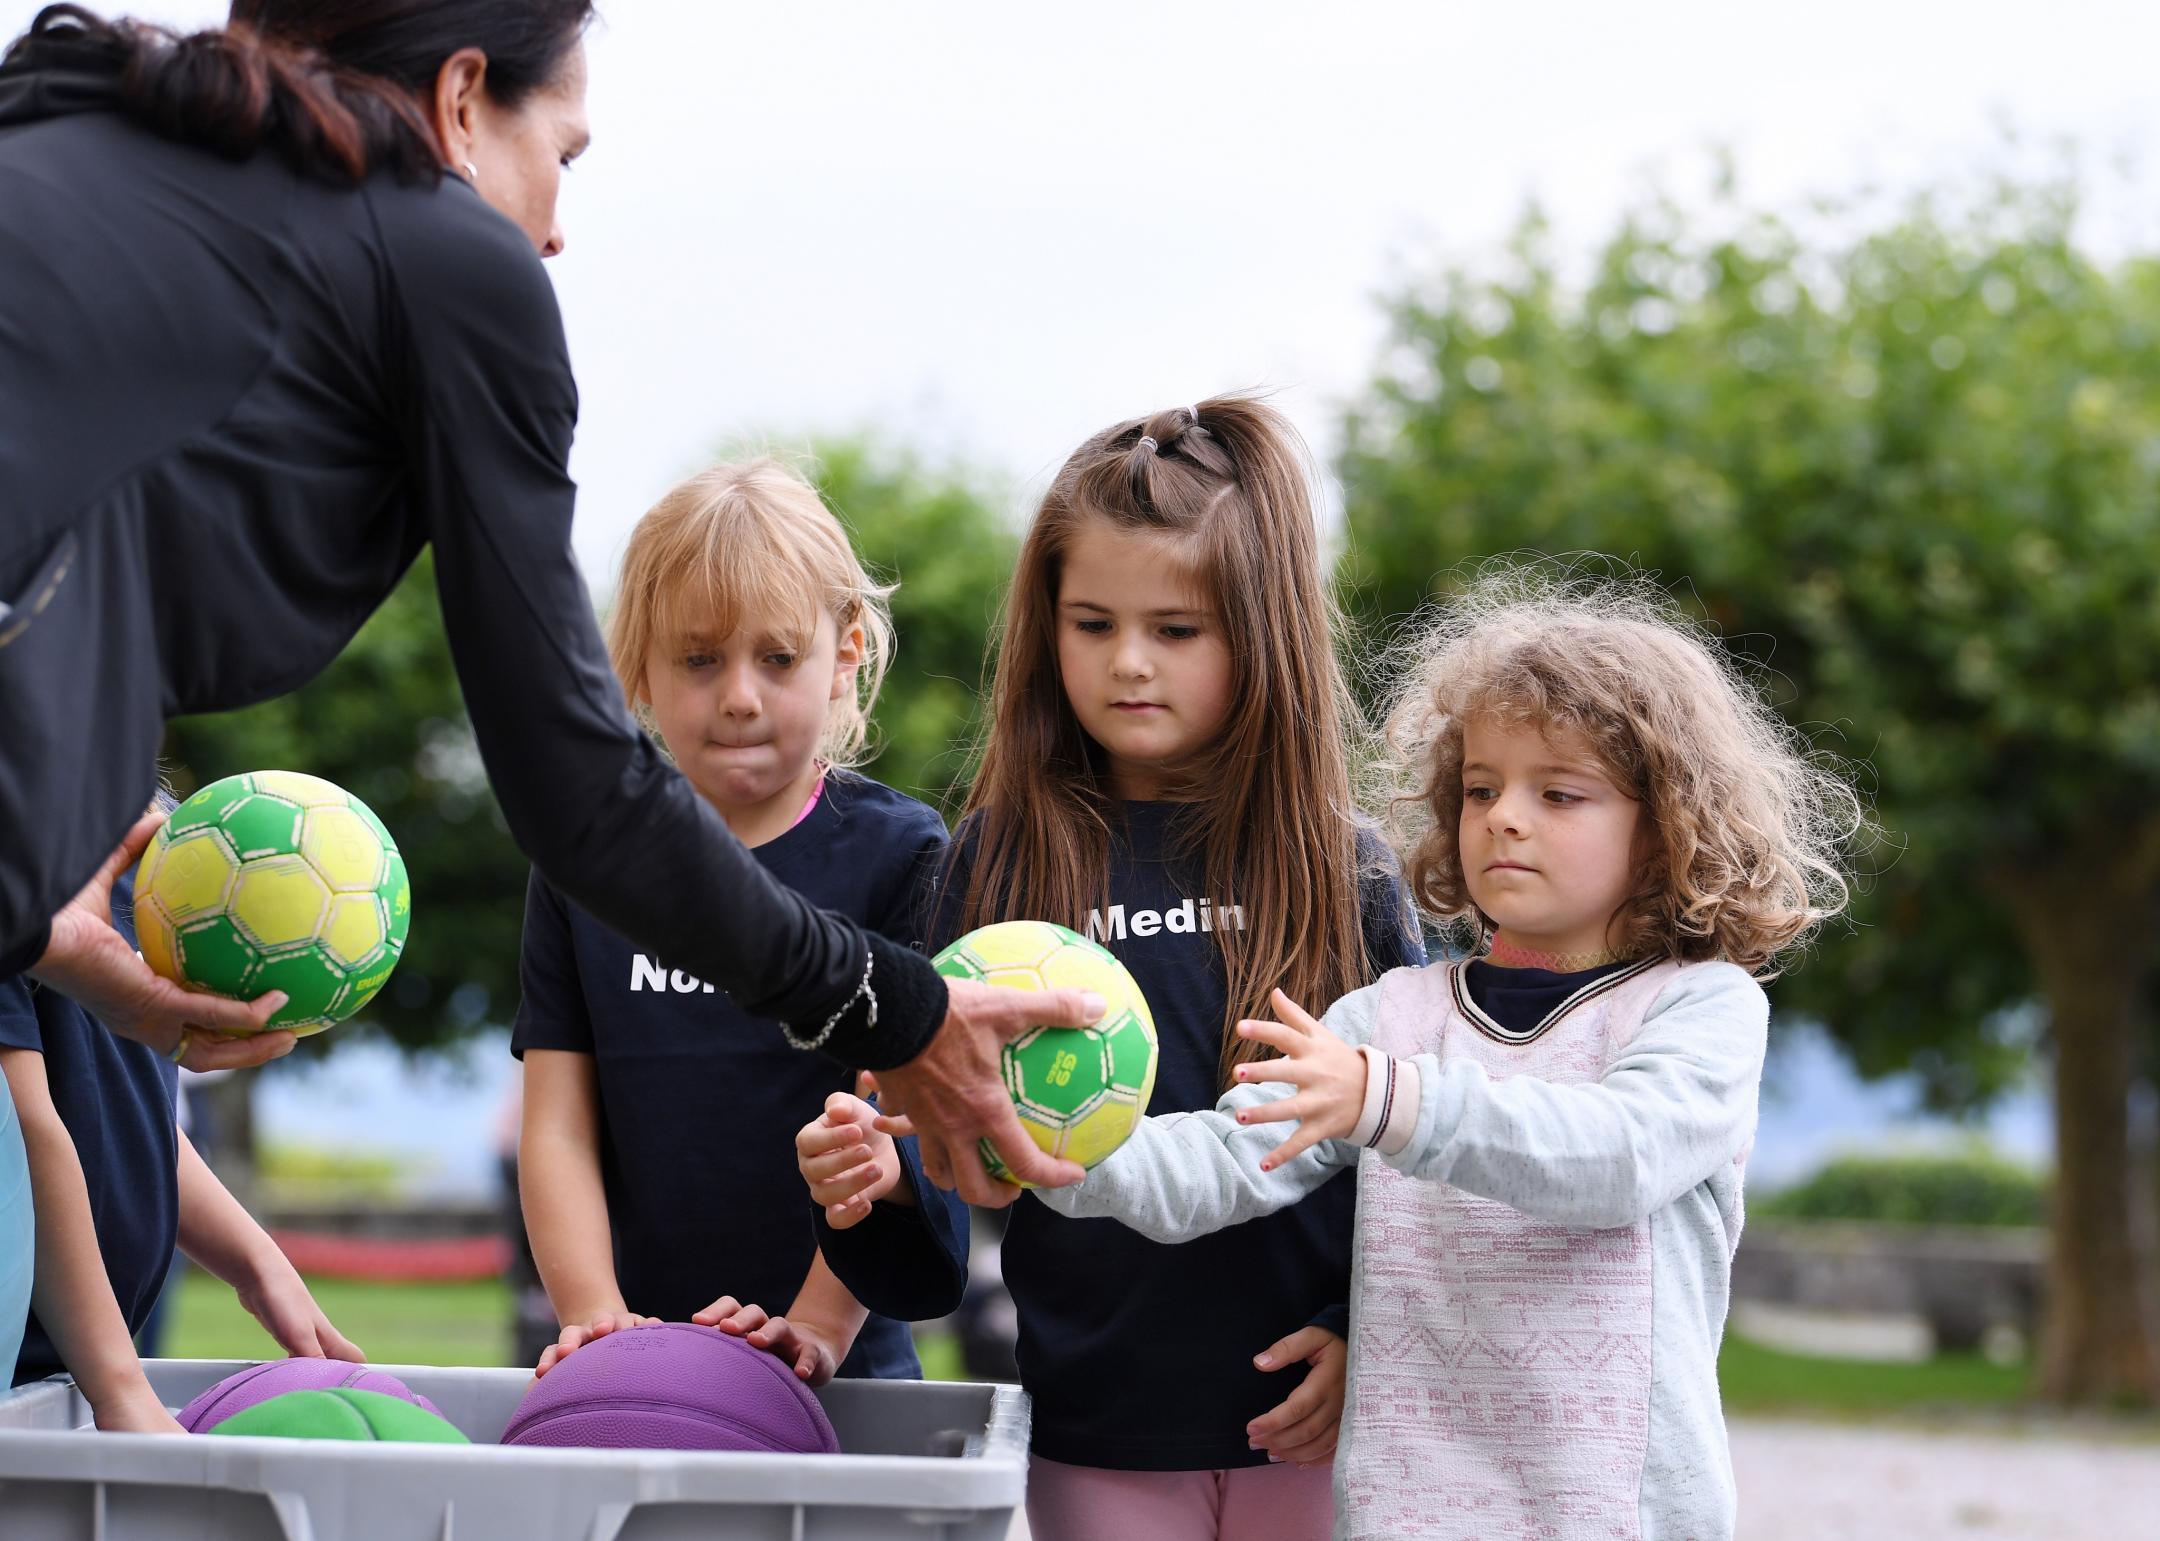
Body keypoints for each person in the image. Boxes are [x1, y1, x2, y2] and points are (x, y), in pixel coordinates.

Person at [0, 3, 1086, 1199]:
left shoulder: (63, 137)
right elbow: (578, 786)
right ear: (461, 101)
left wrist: (54, 931)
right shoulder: (446, 258)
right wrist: (888, 1005)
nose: (557, 232)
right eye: (561, 156)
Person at [1033, 567, 1869, 1541]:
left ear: (1666, 825)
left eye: (1560, 791)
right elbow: (1222, 1160)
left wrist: (1390, 1100)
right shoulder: (1389, 1016)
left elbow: (1618, 1154)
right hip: (1408, 1515)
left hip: (1612, 1516)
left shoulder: (1696, 1008)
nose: (1505, 815)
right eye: (1481, 787)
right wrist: (1043, 1145)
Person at [801, 399, 1425, 1541]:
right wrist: (881, 1184)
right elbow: (947, 1170)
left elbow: (1420, 1153)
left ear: (1264, 628)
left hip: (1316, 1422)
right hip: (1094, 1421)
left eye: (1177, 629)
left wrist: (1363, 1336)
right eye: (1092, 623)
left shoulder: (1348, 872)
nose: (1129, 661)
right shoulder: (993, 861)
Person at [516, 461, 964, 1387]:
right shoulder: (583, 864)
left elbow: (896, 1119)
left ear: (843, 655)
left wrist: (816, 1327)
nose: (739, 696)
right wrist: (593, 1315)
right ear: (638, 663)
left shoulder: (903, 853)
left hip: (844, 1374)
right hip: (637, 1366)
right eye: (699, 658)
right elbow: (558, 1125)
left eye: (776, 656)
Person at [2, 839, 360, 1431]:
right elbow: (23, 1132)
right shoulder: (16, 876)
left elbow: (133, 1110)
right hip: (22, 1361)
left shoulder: (152, 878)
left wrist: (256, 1263)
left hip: (69, 1371)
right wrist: (120, 1386)